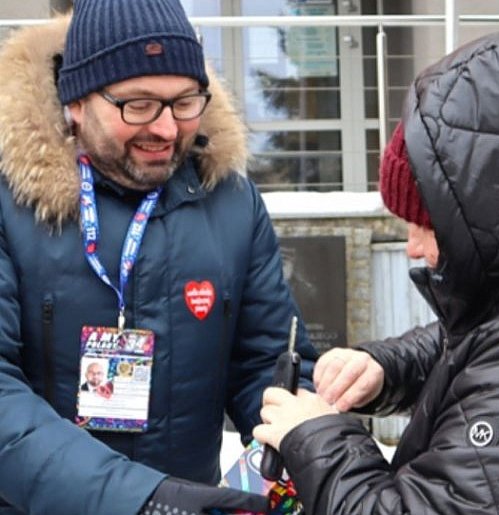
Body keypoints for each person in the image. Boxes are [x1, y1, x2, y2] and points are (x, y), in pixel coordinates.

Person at [254, 26, 499, 514]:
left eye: (428, 225)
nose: (412, 248)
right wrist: (385, 367)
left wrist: (316, 438)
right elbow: (479, 341)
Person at [0, 0, 317, 513]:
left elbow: (265, 361)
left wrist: (311, 450)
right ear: (76, 101)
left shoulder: (231, 201)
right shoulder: (9, 202)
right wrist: (141, 500)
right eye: (139, 105)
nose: (167, 129)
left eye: (185, 102)